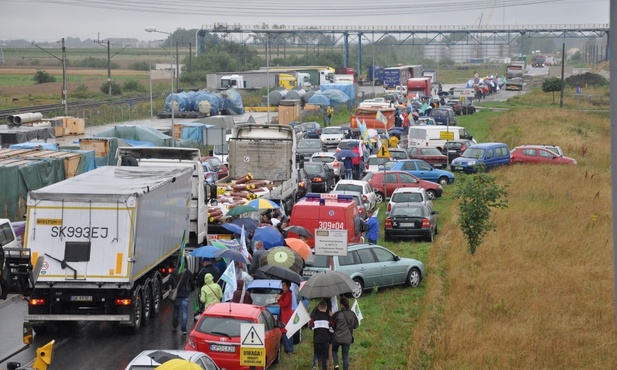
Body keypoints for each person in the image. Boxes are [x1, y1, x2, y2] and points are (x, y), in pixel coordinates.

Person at [331, 297, 359, 370]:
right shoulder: (352, 314)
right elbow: (356, 325)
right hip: (347, 338)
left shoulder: (337, 314)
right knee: (345, 357)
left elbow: (332, 325)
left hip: (337, 338)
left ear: (341, 305)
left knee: (334, 350)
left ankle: (336, 364)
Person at [170, 264, 194, 335]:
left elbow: (170, 281)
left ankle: (175, 325)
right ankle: (183, 329)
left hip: (177, 295)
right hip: (185, 294)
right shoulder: (188, 272)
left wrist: (175, 285)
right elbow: (192, 282)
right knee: (184, 312)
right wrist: (192, 289)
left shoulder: (174, 272)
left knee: (176, 310)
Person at [310, 300, 333, 370]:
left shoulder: (314, 316)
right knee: (324, 355)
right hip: (325, 339)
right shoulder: (328, 317)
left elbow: (311, 327)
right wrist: (332, 317)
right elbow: (332, 326)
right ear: (326, 308)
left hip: (316, 339)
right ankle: (324, 367)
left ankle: (315, 365)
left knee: (316, 353)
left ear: (318, 308)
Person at [275, 279, 294, 355]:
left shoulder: (289, 294)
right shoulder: (285, 293)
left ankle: (289, 349)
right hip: (284, 315)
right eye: (282, 285)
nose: (282, 287)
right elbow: (281, 299)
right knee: (284, 332)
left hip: (286, 316)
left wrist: (278, 299)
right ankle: (287, 348)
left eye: (284, 285)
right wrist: (279, 298)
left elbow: (284, 304)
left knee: (286, 332)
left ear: (288, 286)